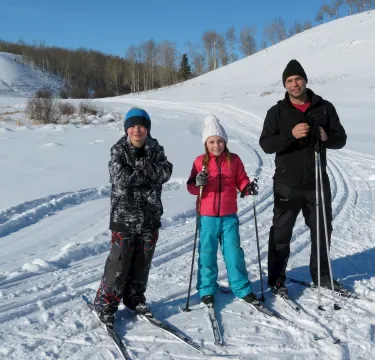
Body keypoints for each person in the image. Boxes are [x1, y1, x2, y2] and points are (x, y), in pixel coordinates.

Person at [259, 59, 347, 298]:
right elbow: (266, 144)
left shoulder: (324, 108)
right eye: (289, 81)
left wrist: (327, 136)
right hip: (287, 184)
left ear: (305, 80)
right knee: (281, 233)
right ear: (285, 85)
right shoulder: (277, 112)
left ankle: (322, 275)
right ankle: (277, 280)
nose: (294, 84)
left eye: (297, 79)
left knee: (322, 229)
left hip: (317, 181)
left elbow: (341, 139)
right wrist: (290, 135)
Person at [94, 107, 173, 327]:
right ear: (127, 129)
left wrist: (140, 173)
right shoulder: (118, 150)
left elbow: (165, 172)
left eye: (141, 126)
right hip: (124, 218)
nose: (137, 130)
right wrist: (149, 173)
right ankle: (106, 304)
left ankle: (134, 298)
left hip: (150, 217)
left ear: (147, 129)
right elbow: (119, 176)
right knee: (119, 264)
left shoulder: (157, 149)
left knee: (142, 263)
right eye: (133, 126)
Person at [187, 114, 259, 306]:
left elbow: (241, 179)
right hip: (207, 216)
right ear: (206, 143)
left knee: (234, 253)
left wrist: (247, 187)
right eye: (212, 142)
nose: (216, 145)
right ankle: (207, 289)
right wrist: (197, 182)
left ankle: (242, 288)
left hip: (228, 216)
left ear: (225, 142)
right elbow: (191, 187)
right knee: (207, 253)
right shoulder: (199, 162)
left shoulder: (234, 160)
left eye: (219, 141)